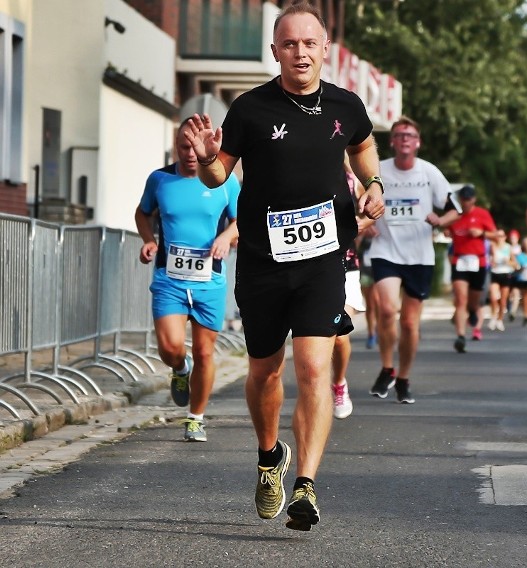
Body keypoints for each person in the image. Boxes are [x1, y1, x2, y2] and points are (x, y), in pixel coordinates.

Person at [183, 3, 384, 531]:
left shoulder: (346, 104)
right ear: (275, 51)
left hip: (323, 259)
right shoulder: (250, 109)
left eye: (309, 43)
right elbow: (214, 177)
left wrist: (373, 186)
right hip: (263, 261)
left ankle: (307, 487)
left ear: (324, 49)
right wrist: (208, 159)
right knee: (264, 371)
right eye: (289, 44)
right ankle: (271, 456)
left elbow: (364, 147)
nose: (300, 52)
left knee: (314, 368)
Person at [134, 118, 240, 443]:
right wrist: (148, 239)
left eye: (195, 146)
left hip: (210, 279)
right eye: (184, 146)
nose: (191, 152)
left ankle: (196, 417)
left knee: (207, 353)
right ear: (176, 147)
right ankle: (181, 369)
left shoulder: (227, 182)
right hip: (170, 277)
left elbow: (242, 220)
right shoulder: (160, 180)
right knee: (170, 347)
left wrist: (226, 236)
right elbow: (142, 213)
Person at [368, 115, 460, 403]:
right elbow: (357, 196)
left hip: (419, 255)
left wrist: (440, 219)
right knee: (386, 310)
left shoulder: (429, 173)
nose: (405, 139)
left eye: (410, 135)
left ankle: (403, 377)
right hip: (385, 249)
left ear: (417, 142)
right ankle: (387, 367)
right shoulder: (378, 170)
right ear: (392, 142)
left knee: (409, 323)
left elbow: (454, 209)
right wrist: (365, 221)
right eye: (399, 135)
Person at [331, 163, 374, 420]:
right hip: (309, 262)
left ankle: (338, 383)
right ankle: (313, 389)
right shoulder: (302, 169)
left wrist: (361, 224)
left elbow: (372, 210)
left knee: (338, 332)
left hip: (345, 264)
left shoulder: (351, 179)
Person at [448, 184, 498, 353]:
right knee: (460, 298)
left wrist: (482, 234)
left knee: (474, 298)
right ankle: (460, 336)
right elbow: (445, 227)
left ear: (474, 199)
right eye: (463, 199)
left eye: (469, 199)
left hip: (478, 262)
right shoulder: (455, 215)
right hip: (460, 260)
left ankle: (472, 310)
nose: (466, 202)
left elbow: (497, 235)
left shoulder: (482, 214)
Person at [487, 228, 516, 331]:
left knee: (503, 300)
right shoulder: (492, 246)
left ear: (505, 237)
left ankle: (500, 320)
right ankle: (493, 317)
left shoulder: (509, 248)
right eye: (497, 236)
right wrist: (492, 261)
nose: (499, 238)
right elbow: (488, 260)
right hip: (495, 273)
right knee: (494, 298)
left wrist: (508, 261)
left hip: (506, 274)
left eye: (501, 236)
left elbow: (515, 264)